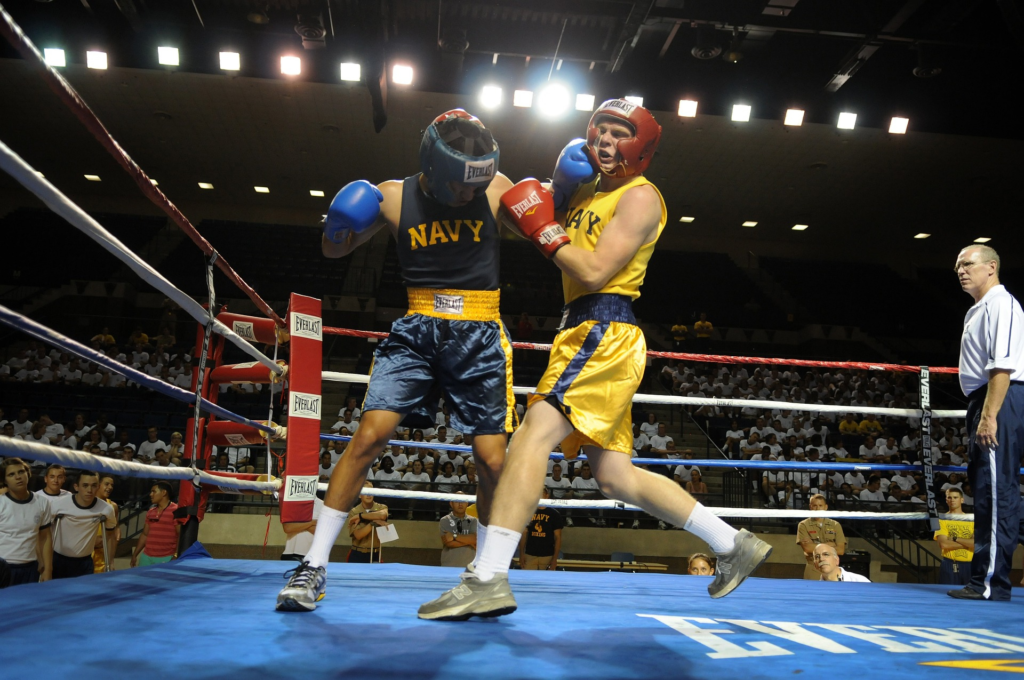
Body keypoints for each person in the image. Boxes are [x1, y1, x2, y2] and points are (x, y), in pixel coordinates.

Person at [419, 99, 771, 621]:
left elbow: (591, 270)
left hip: (604, 327)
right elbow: (530, 222)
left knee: (530, 440)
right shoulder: (584, 191)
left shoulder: (641, 198)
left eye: (617, 133)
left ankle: (488, 576)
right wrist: (535, 199)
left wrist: (543, 225)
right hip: (584, 331)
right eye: (599, 130)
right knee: (615, 478)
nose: (604, 140)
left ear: (640, 145)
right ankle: (731, 543)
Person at [277, 108, 517, 612]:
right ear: (432, 170)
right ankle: (313, 566)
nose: (469, 196)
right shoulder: (390, 197)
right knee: (368, 436)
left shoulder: (496, 190)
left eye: (477, 185)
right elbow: (333, 252)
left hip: (480, 330)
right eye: (460, 187)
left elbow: (549, 233)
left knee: (493, 460)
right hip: (416, 328)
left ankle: (488, 573)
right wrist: (339, 224)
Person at [949, 244, 1024, 601]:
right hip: (985, 399)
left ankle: (991, 583)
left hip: (1000, 398)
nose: (960, 271)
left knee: (996, 491)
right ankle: (984, 580)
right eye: (957, 267)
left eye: (967, 264)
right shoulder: (977, 309)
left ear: (991, 267)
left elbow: (1003, 366)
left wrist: (990, 415)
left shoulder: (1001, 304)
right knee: (985, 490)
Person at [51, 471, 117, 579]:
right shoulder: (59, 504)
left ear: (98, 487)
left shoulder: (106, 509)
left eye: (94, 486)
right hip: (59, 560)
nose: (89, 490)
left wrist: (110, 562)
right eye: (85, 485)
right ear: (76, 487)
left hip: (85, 562)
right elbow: (45, 533)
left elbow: (110, 536)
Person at [0, 458, 53, 586]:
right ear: (4, 480)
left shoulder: (42, 502)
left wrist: (48, 569)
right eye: (11, 474)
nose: (18, 477)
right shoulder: (1, 503)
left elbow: (45, 538)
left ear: (28, 474)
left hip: (31, 567)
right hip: (3, 567)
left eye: (21, 472)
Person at [796, 494, 847, 580]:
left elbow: (841, 550)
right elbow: (808, 548)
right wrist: (831, 544)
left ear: (826, 507)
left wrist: (816, 545)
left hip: (832, 569)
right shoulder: (803, 525)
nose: (817, 508)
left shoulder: (835, 525)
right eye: (815, 505)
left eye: (820, 506)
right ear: (810, 507)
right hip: (813, 568)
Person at [130, 482, 180, 567]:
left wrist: (176, 555)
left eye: (154, 491)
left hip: (166, 557)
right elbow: (145, 534)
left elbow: (180, 535)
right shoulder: (151, 511)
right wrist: (135, 554)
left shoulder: (176, 510)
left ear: (164, 492)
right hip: (146, 557)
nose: (150, 494)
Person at [934, 487, 974, 586]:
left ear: (962, 499)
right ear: (946, 500)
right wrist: (968, 544)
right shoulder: (941, 519)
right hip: (949, 564)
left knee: (970, 598)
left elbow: (977, 544)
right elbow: (944, 544)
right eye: (949, 497)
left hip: (970, 564)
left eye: (955, 497)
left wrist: (956, 539)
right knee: (946, 595)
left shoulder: (972, 519)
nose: (952, 500)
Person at [519, 488, 563, 570]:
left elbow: (558, 537)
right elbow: (524, 534)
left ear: (547, 495)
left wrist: (554, 559)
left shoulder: (554, 514)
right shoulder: (528, 512)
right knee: (528, 580)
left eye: (542, 493)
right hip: (530, 553)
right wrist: (521, 554)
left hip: (547, 554)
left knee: (546, 580)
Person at [346, 483, 388, 564]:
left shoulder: (382, 507)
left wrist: (361, 516)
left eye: (371, 491)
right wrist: (373, 522)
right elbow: (358, 535)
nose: (368, 494)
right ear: (359, 495)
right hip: (358, 554)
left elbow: (382, 516)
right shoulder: (354, 511)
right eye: (365, 491)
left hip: (376, 553)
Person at [440, 492, 478, 568]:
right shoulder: (445, 520)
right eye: (457, 501)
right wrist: (469, 541)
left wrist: (454, 536)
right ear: (451, 503)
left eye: (463, 501)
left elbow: (475, 539)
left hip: (470, 567)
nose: (460, 504)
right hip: (449, 565)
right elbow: (449, 543)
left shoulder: (474, 521)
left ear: (467, 503)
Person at [92, 474, 120, 573]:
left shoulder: (112, 506)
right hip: (86, 554)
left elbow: (115, 534)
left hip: (103, 556)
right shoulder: (87, 502)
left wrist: (111, 561)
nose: (110, 487)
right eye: (106, 484)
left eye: (111, 485)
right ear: (98, 485)